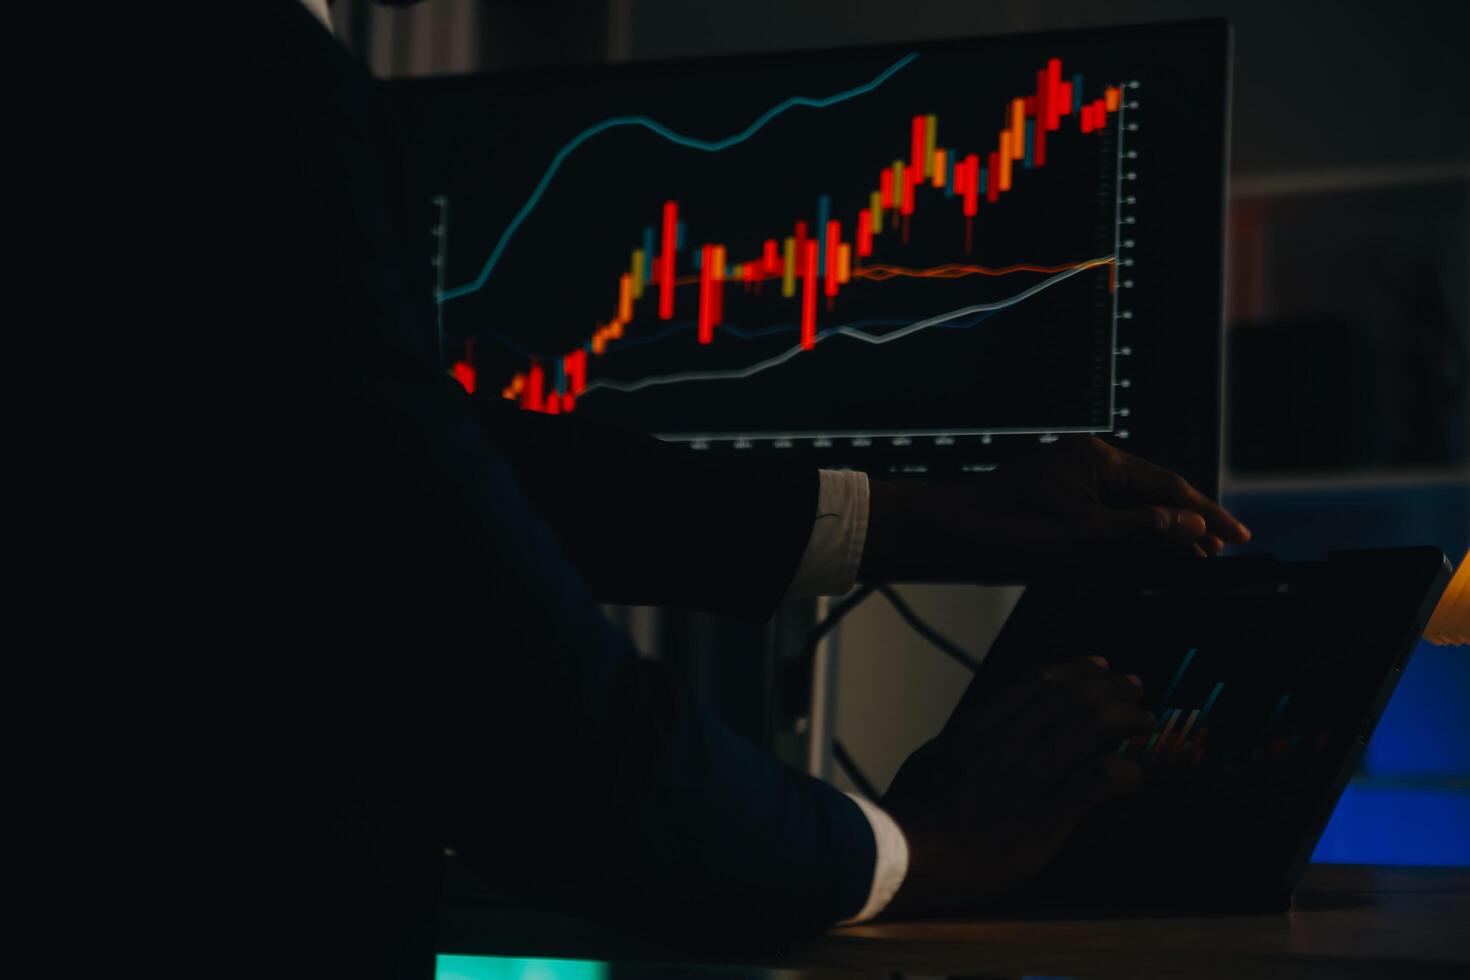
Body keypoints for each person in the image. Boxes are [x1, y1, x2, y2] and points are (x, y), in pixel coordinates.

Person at [174, 2, 1250, 978]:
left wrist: (931, 516)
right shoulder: (238, 70)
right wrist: (914, 848)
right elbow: (495, 682)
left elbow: (448, 460)